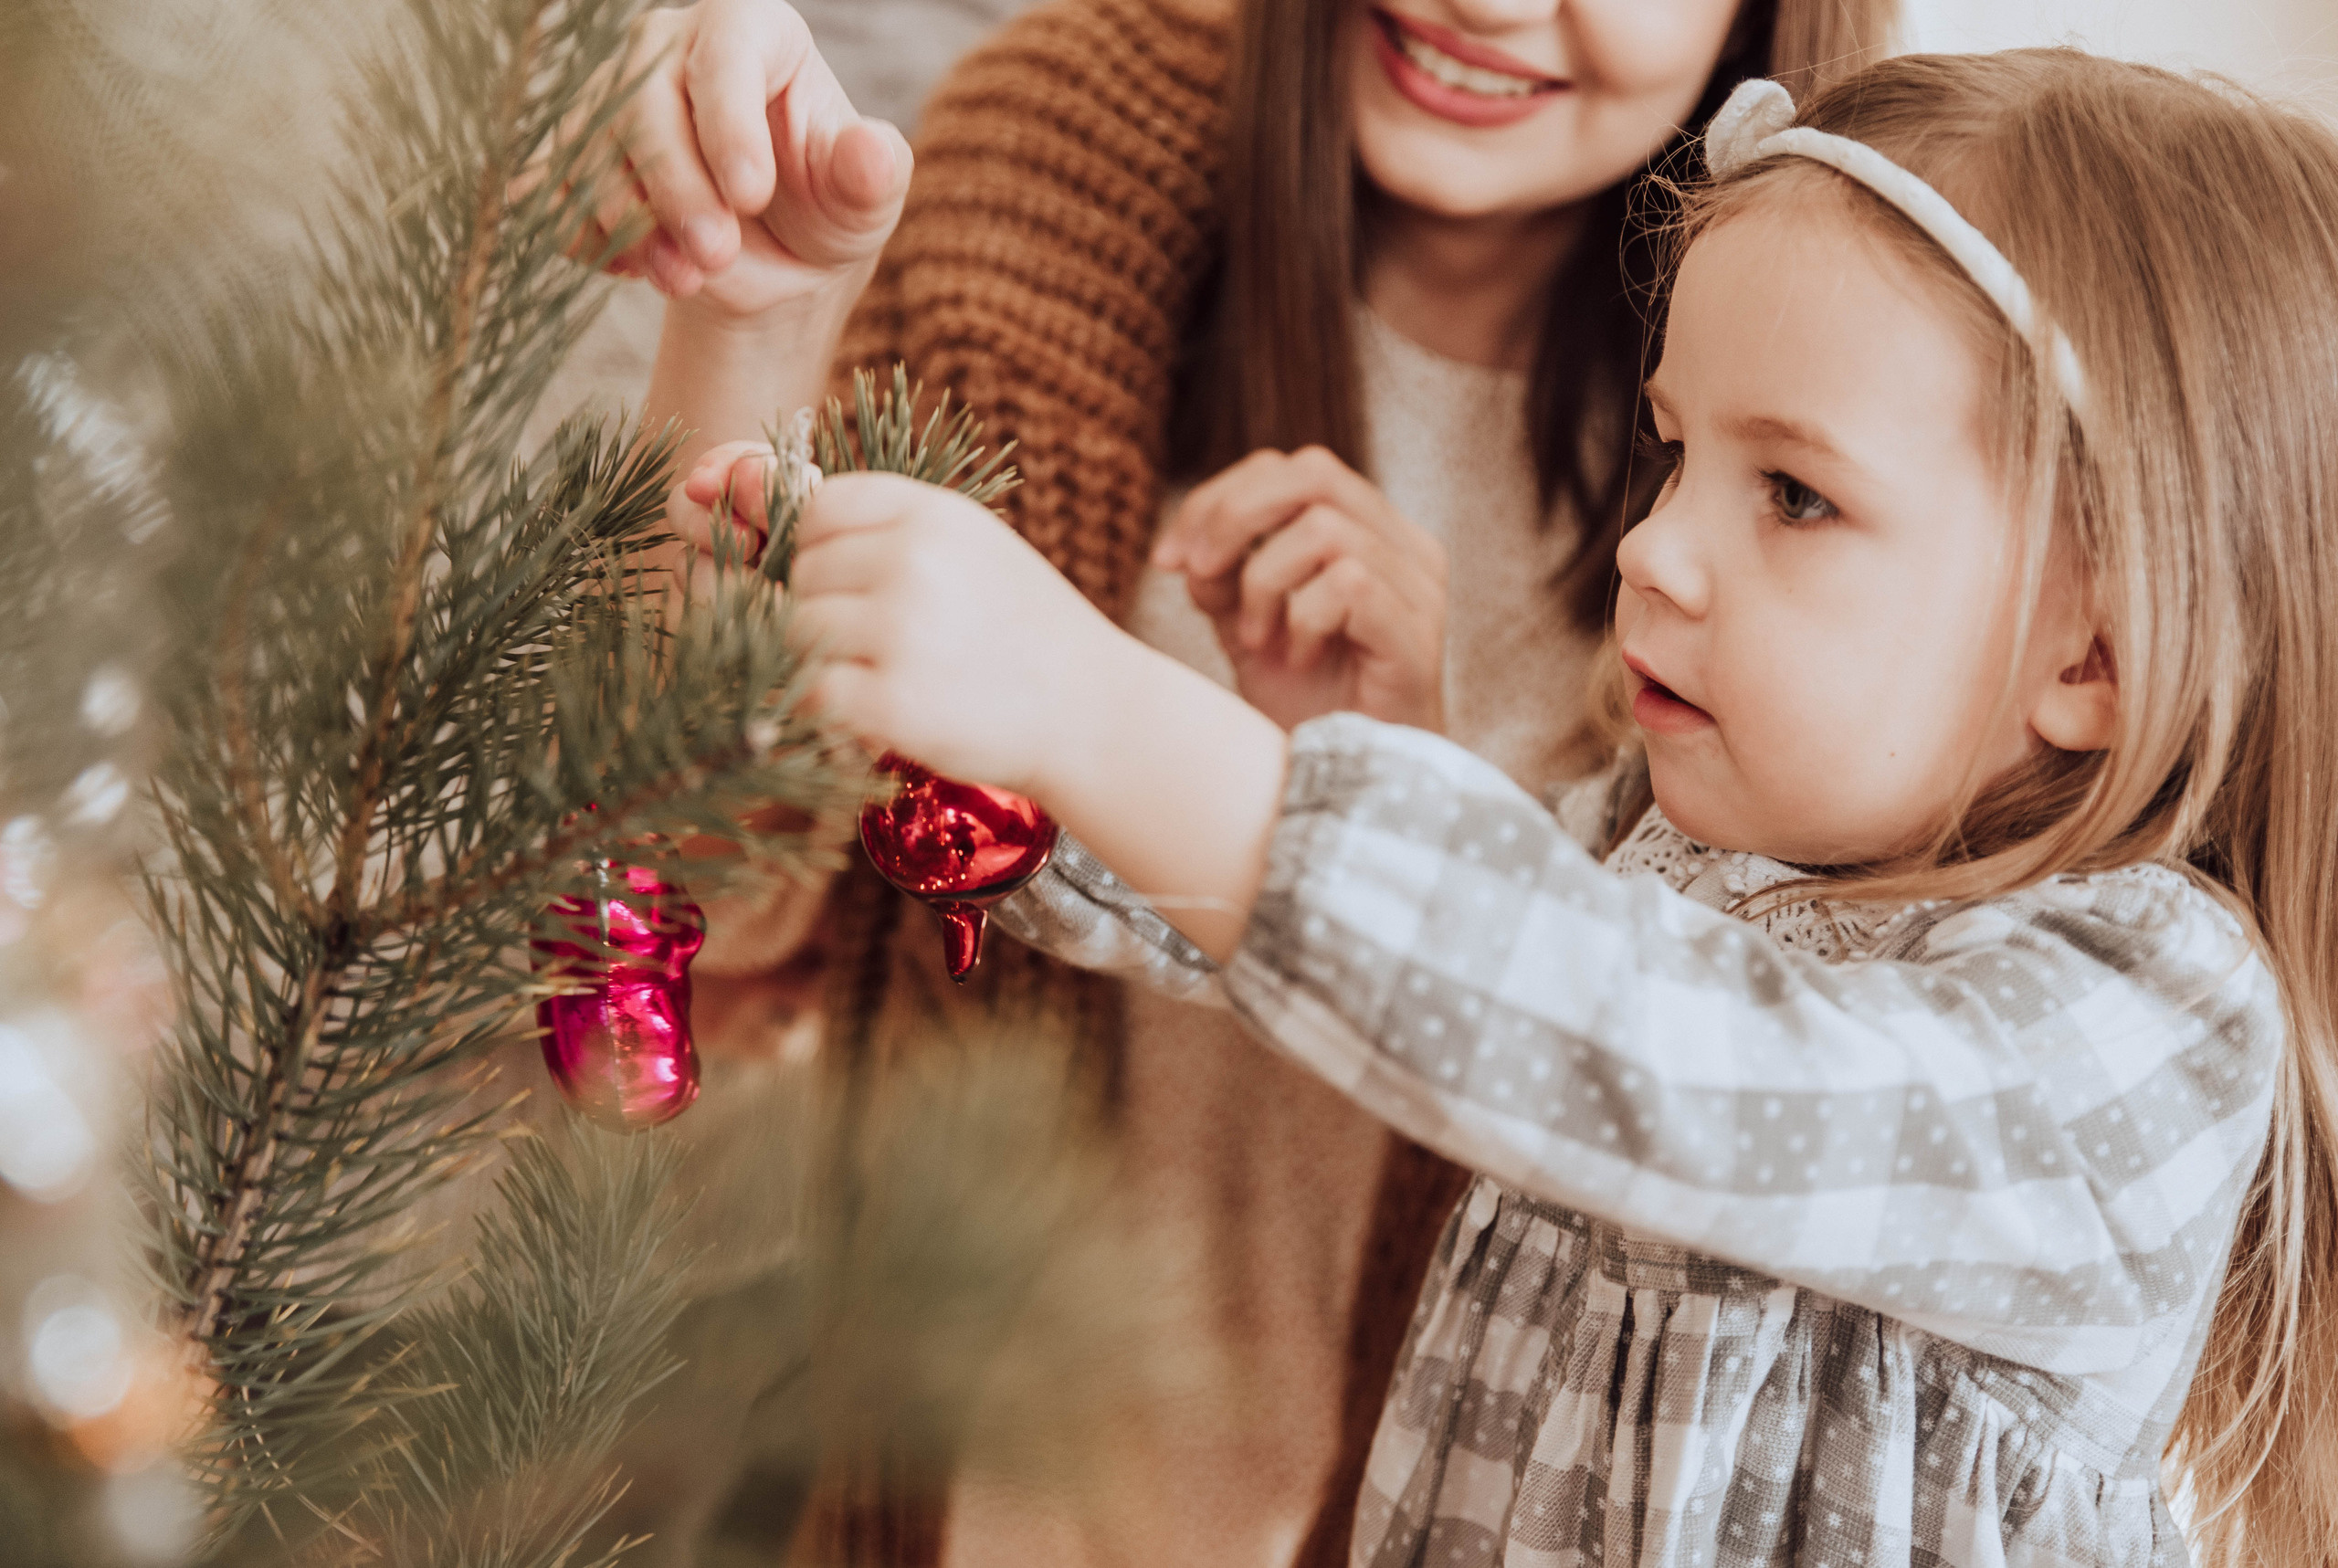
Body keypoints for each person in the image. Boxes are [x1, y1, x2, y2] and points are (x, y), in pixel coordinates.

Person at [742, 48, 2338, 1566]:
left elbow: (1656, 1050)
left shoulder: (2147, 1022)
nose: (1656, 547)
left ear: (2095, 654)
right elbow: (1357, 942)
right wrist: (956, 725)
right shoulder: (1676, 857)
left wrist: (1099, 703)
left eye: (1795, 494)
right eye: (1675, 452)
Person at [594, 0, 1893, 1559]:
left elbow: (1739, 1118)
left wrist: (1384, 786)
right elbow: (679, 903)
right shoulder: (1057, 173)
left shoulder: (1864, 441)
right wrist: (746, 330)